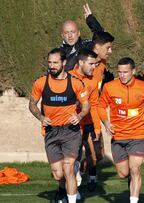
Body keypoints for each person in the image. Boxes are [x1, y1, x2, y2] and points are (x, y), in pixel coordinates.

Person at [29, 48, 89, 203]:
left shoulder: (75, 83)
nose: (52, 65)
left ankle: (71, 198)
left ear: (64, 63)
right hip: (51, 131)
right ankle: (69, 178)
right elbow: (32, 105)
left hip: (70, 131)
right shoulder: (41, 82)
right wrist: (41, 117)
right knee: (58, 174)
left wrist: (80, 115)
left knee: (68, 170)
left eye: (55, 62)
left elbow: (86, 106)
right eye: (49, 62)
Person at [98, 57, 144, 203]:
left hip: (138, 135)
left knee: (135, 168)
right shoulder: (109, 87)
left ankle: (133, 199)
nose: (122, 75)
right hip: (118, 137)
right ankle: (131, 177)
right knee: (123, 173)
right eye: (120, 72)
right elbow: (100, 106)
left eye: (125, 72)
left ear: (133, 71)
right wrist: (106, 123)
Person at [68, 48, 103, 192]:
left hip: (88, 123)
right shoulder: (68, 77)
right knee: (72, 158)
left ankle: (80, 172)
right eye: (91, 63)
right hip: (72, 125)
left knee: (96, 157)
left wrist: (97, 127)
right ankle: (67, 191)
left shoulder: (94, 80)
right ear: (81, 62)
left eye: (95, 64)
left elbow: (94, 105)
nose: (94, 67)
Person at [61, 3, 104, 71]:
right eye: (66, 33)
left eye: (73, 32)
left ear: (78, 33)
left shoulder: (86, 46)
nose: (70, 36)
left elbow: (102, 38)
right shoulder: (58, 53)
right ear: (62, 35)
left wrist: (91, 21)